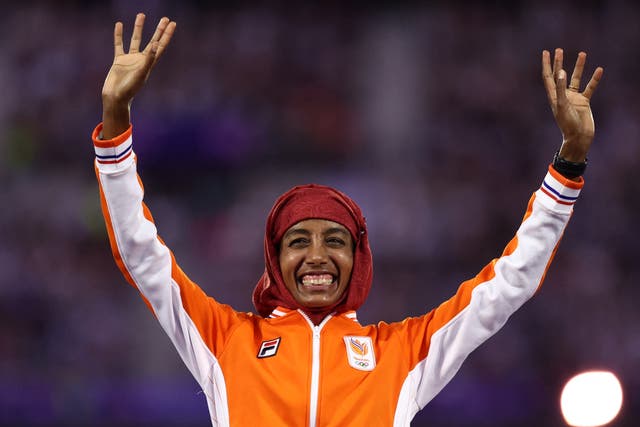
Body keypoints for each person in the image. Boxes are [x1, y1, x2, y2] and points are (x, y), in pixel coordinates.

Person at [91, 13, 603, 427]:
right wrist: (116, 120)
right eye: (298, 241)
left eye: (335, 240)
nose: (317, 255)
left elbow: (510, 284)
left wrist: (569, 163)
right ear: (274, 257)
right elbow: (141, 254)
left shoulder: (402, 356)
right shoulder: (226, 343)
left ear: (358, 258)